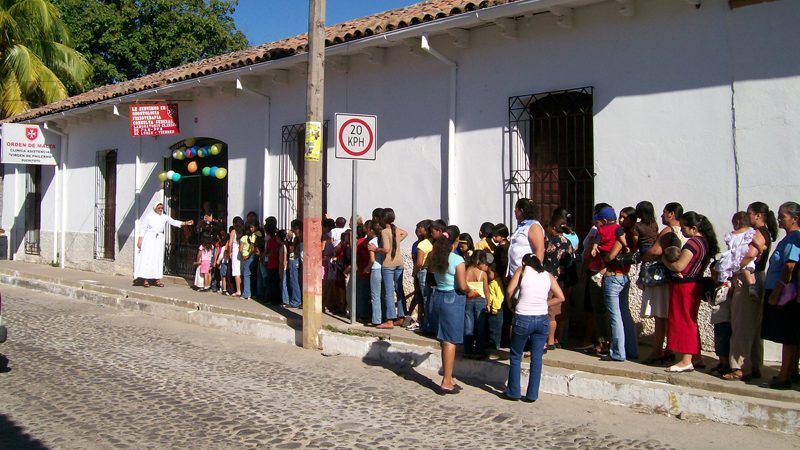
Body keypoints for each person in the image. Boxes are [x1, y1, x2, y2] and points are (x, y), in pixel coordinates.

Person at [725, 201, 777, 381]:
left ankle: (740, 366)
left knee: (742, 324)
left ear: (758, 215)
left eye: (750, 214)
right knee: (753, 325)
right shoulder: (764, 233)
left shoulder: (758, 233)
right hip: (758, 277)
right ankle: (754, 364)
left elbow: (750, 254)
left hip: (749, 279)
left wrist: (736, 266)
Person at [662, 211, 719, 373]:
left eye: (684, 228)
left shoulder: (693, 244)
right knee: (691, 320)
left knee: (684, 320)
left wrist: (665, 260)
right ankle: (696, 356)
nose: (682, 231)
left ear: (694, 228)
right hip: (695, 283)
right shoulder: (705, 243)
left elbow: (679, 266)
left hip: (685, 285)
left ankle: (686, 360)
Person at [504, 253, 565, 402]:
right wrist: (545, 304)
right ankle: (532, 394)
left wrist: (511, 304)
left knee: (516, 355)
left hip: (523, 317)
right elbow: (560, 297)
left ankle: (514, 392)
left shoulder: (522, 270)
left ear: (525, 263)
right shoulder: (548, 275)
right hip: (542, 319)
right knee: (537, 358)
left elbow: (510, 290)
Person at [640, 202, 686, 365]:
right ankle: (669, 349)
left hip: (663, 278)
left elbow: (655, 251)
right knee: (669, 314)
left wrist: (643, 257)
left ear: (671, 214)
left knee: (660, 315)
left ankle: (657, 350)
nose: (661, 215)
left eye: (664, 212)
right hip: (676, 277)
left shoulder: (669, 231)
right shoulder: (684, 232)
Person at [760, 201, 800, 389]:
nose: (779, 219)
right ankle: (791, 371)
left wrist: (777, 291)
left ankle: (785, 375)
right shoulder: (789, 238)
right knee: (789, 334)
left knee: (787, 335)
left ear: (795, 219)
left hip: (785, 295)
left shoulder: (793, 239)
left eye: (782, 216)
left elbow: (789, 267)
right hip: (783, 292)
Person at [427, 232, 469, 394]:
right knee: (450, 342)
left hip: (438, 296)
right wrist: (471, 291)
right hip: (452, 298)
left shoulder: (435, 257)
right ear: (455, 242)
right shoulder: (457, 260)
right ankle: (446, 380)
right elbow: (462, 285)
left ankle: (448, 377)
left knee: (444, 340)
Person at [134, 203, 194, 287]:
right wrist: (140, 240)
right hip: (149, 239)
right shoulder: (149, 216)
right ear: (155, 208)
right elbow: (143, 228)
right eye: (159, 208)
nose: (160, 209)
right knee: (148, 258)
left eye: (161, 208)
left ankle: (157, 279)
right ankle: (145, 279)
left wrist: (185, 223)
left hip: (159, 240)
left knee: (157, 258)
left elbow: (173, 221)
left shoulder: (164, 217)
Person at [542, 214, 574, 350]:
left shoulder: (547, 242)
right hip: (561, 281)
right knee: (557, 312)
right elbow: (570, 263)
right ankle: (555, 339)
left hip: (548, 280)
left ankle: (547, 341)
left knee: (548, 311)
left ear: (553, 227)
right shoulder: (568, 242)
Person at [376, 208, 408, 329]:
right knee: (399, 289)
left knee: (389, 292)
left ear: (383, 219)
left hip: (389, 263)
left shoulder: (385, 232)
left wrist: (375, 249)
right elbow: (405, 233)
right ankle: (401, 316)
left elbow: (386, 249)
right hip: (399, 262)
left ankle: (389, 320)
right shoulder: (396, 230)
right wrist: (397, 241)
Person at [463, 250, 491, 359]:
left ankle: (467, 350)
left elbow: (463, 285)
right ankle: (479, 351)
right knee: (480, 327)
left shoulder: (467, 271)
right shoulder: (482, 274)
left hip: (469, 298)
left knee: (468, 325)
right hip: (480, 299)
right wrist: (488, 303)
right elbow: (486, 290)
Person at [229, 218, 244, 297]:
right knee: (241, 271)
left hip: (235, 251)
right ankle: (242, 289)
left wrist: (230, 252)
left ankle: (238, 290)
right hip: (242, 251)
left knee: (236, 272)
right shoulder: (243, 231)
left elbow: (230, 243)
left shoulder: (233, 231)